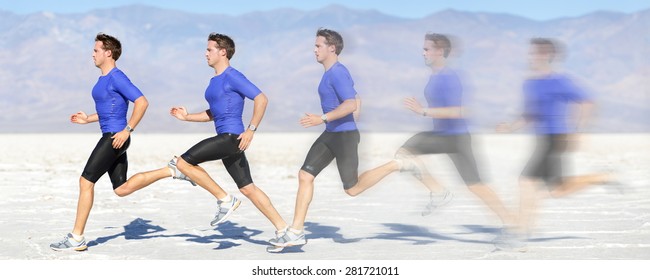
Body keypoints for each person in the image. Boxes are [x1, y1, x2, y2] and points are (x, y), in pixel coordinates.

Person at [496, 38, 612, 249]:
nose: (534, 57)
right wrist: (511, 127)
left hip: (556, 137)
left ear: (550, 56)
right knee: (558, 189)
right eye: (532, 53)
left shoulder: (560, 81)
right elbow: (531, 114)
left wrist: (578, 130)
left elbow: (587, 101)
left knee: (527, 181)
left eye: (539, 53)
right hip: (542, 139)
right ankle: (601, 177)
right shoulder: (529, 83)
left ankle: (521, 231)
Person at [50, 33, 149, 251]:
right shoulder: (103, 79)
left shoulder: (117, 77)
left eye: (96, 50)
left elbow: (142, 102)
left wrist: (127, 130)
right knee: (122, 188)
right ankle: (171, 171)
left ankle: (76, 237)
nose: (92, 54)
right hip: (114, 135)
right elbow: (109, 111)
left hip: (114, 137)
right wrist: (88, 119)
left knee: (86, 181)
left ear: (108, 53)